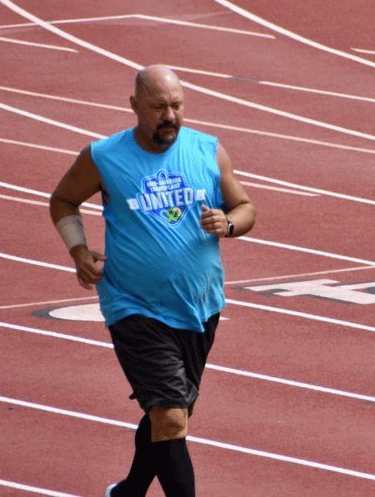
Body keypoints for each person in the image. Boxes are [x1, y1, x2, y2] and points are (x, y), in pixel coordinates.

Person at [49, 65, 256, 497]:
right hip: (134, 305)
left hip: (200, 304)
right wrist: (79, 251)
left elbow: (245, 207)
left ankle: (129, 492)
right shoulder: (104, 156)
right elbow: (64, 200)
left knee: (169, 417)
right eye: (159, 107)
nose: (171, 115)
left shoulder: (208, 150)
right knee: (170, 417)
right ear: (134, 106)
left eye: (177, 105)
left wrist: (229, 223)